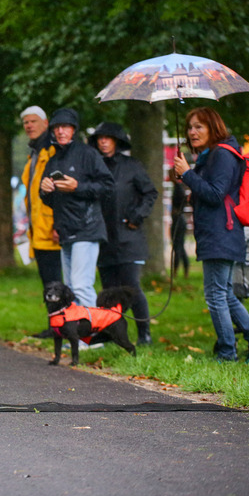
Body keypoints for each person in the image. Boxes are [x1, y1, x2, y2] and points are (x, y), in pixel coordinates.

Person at [172, 107, 249, 364]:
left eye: (199, 127)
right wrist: (189, 179)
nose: (192, 132)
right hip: (219, 232)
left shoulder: (222, 155)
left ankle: (228, 354)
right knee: (225, 294)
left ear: (213, 128)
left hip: (222, 232)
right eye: (190, 127)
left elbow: (216, 194)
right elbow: (211, 192)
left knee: (216, 295)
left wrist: (187, 174)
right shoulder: (210, 156)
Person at [90, 122, 157, 346]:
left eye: (108, 138)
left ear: (116, 141)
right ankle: (111, 333)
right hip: (103, 238)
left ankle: (144, 333)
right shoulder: (94, 167)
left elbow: (150, 193)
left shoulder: (132, 166)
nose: (103, 141)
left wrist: (137, 216)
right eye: (99, 138)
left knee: (131, 287)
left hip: (129, 237)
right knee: (108, 290)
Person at [39, 108, 114, 308]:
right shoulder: (53, 160)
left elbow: (108, 187)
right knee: (70, 289)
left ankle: (89, 336)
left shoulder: (88, 154)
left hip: (87, 229)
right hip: (65, 230)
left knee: (81, 286)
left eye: (65, 127)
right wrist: (45, 191)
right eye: (57, 127)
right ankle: (78, 337)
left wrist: (78, 187)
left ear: (74, 130)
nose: (61, 131)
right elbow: (49, 201)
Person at [19, 106, 61, 289]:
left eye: (33, 121)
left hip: (52, 232)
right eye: (25, 122)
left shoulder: (54, 152)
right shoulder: (35, 154)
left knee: (57, 287)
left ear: (45, 123)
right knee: (49, 286)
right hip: (38, 230)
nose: (29, 126)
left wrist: (58, 224)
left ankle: (67, 318)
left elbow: (60, 192)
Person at [170, 182, 190, 278]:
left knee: (178, 247)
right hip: (178, 219)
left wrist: (177, 210)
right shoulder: (178, 188)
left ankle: (177, 270)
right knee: (179, 246)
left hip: (178, 220)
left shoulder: (178, 188)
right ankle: (183, 269)